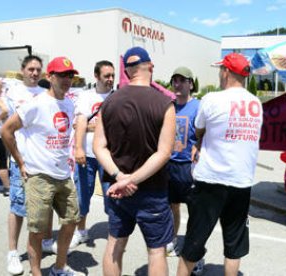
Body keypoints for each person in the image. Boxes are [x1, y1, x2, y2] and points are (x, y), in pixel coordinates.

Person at [177, 53, 263, 276]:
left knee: (193, 243)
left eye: (220, 70)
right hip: (241, 181)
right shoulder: (256, 103)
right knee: (234, 246)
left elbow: (199, 129)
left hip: (211, 180)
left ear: (225, 72)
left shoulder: (212, 99)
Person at [93, 46, 176, 276]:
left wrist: (120, 178)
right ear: (150, 67)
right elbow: (164, 152)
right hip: (152, 190)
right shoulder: (164, 104)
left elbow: (98, 146)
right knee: (156, 251)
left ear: (128, 72)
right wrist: (132, 179)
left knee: (115, 244)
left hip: (118, 190)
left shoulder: (109, 102)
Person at [1, 56, 81, 276]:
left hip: (63, 175)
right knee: (36, 231)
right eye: (62, 75)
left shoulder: (69, 103)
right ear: (50, 77)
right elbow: (6, 130)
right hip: (39, 177)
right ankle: (36, 272)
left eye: (70, 75)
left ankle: (59, 267)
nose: (67, 79)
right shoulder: (36, 104)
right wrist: (19, 161)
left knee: (71, 221)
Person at [3, 55, 56, 275]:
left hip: (43, 160)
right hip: (21, 159)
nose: (34, 73)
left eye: (38, 70)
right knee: (18, 206)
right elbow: (9, 128)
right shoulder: (14, 93)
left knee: (46, 203)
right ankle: (13, 252)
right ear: (23, 70)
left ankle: (44, 240)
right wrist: (18, 159)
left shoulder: (46, 93)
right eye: (30, 69)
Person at [70, 60, 114, 248]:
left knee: (112, 197)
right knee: (82, 196)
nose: (111, 79)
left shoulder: (117, 97)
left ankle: (115, 234)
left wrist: (92, 127)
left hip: (109, 157)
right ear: (96, 76)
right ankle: (81, 231)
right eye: (107, 76)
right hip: (86, 155)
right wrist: (79, 146)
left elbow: (118, 127)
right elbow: (77, 123)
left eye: (113, 75)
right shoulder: (85, 96)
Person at [165, 66, 199, 257]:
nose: (177, 84)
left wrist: (199, 147)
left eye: (182, 80)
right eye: (174, 81)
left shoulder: (199, 106)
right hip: (170, 166)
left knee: (195, 211)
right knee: (172, 206)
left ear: (190, 84)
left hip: (190, 167)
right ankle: (172, 239)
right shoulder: (169, 107)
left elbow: (206, 134)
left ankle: (194, 250)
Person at [0, 79, 11, 196]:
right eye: (0, 88)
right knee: (2, 162)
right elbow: (6, 110)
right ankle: (7, 188)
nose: (1, 91)